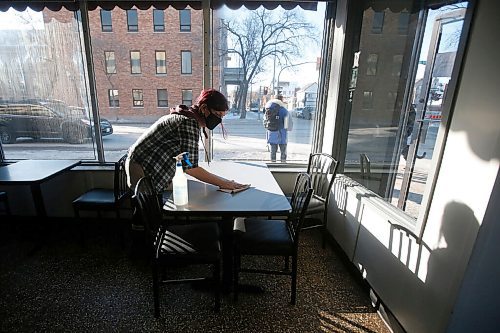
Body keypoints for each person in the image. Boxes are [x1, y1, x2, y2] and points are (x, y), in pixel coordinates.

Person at [125, 88, 248, 193]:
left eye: (222, 116)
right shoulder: (188, 122)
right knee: (148, 214)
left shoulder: (188, 116)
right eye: (217, 114)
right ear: (204, 108)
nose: (219, 119)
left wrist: (221, 181)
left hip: (140, 162)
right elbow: (190, 167)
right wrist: (224, 183)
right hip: (141, 168)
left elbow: (187, 161)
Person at [264, 95, 291, 162]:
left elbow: (265, 122)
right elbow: (288, 125)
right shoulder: (283, 110)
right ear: (281, 100)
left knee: (273, 151)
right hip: (281, 134)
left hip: (271, 133)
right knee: (283, 151)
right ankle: (283, 164)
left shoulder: (267, 109)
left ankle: (273, 163)